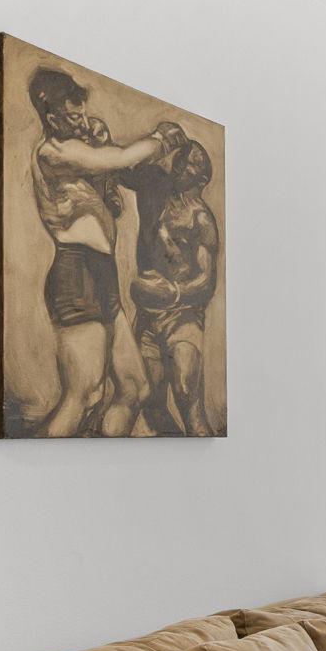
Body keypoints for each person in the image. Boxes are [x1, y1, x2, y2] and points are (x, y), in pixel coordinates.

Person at [26, 66, 184, 436]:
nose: (81, 122)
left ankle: (101, 453)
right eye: (72, 116)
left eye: (82, 114)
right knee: (85, 394)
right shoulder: (53, 152)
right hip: (76, 272)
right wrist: (163, 139)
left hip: (101, 272)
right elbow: (122, 159)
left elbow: (106, 191)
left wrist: (103, 153)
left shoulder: (78, 149)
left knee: (135, 388)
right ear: (51, 117)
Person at [128, 139, 221, 435]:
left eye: (191, 163)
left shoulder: (200, 218)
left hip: (184, 316)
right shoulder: (153, 198)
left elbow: (206, 282)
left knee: (187, 398)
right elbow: (126, 171)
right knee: (150, 402)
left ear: (201, 179)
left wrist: (174, 293)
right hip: (148, 315)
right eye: (181, 158)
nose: (180, 166)